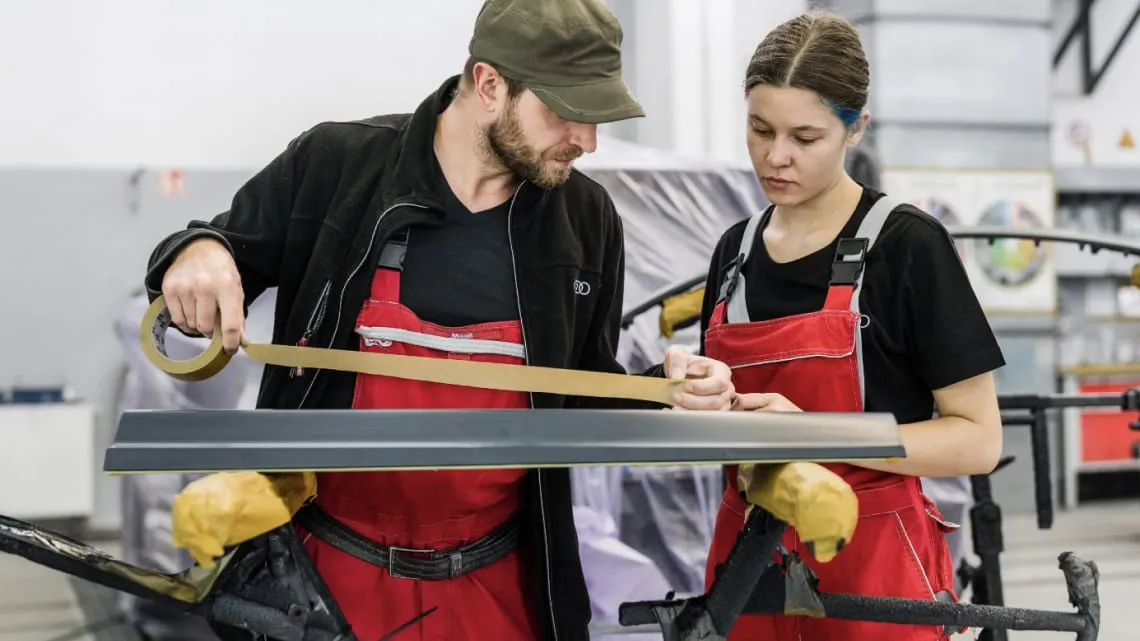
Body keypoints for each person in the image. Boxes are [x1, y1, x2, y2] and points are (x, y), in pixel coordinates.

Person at [143, 1, 736, 640]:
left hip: (501, 587)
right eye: (565, 112)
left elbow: (581, 394)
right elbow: (213, 258)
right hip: (327, 580)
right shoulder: (338, 166)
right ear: (489, 84)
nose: (587, 141)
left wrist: (665, 391)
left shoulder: (584, 220)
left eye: (597, 118)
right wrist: (197, 252)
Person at [696, 11, 1005, 641]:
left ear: (855, 128)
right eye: (760, 129)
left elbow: (978, 441)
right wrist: (689, 389)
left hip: (870, 569)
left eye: (805, 137)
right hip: (745, 569)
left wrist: (814, 435)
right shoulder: (734, 251)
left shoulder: (907, 245)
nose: (776, 157)